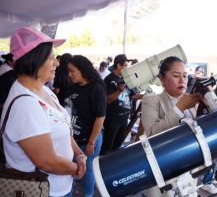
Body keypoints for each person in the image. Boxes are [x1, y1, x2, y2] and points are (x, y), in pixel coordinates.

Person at [0, 27, 86, 197]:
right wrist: (78, 169)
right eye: (51, 58)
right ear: (34, 60)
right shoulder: (25, 104)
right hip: (43, 191)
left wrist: (80, 154)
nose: (57, 63)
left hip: (60, 185)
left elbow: (63, 128)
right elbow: (47, 162)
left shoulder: (44, 90)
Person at [142, 56, 217, 196]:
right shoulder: (151, 100)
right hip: (163, 177)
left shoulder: (191, 105)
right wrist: (180, 107)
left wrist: (207, 108)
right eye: (176, 75)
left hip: (188, 174)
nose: (182, 80)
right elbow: (153, 133)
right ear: (162, 78)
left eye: (185, 75)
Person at [64, 55, 107, 197]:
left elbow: (100, 117)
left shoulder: (96, 88)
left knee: (89, 171)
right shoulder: (73, 88)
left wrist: (91, 142)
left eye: (72, 71)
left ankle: (88, 195)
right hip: (72, 141)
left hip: (89, 140)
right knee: (71, 171)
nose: (70, 75)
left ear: (82, 69)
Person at [100, 54, 143, 155]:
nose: (127, 68)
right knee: (108, 145)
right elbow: (108, 99)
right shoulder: (109, 79)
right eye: (125, 66)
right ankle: (103, 165)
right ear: (118, 65)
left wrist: (144, 96)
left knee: (119, 143)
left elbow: (132, 95)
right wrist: (119, 91)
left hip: (124, 119)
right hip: (112, 119)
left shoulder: (127, 79)